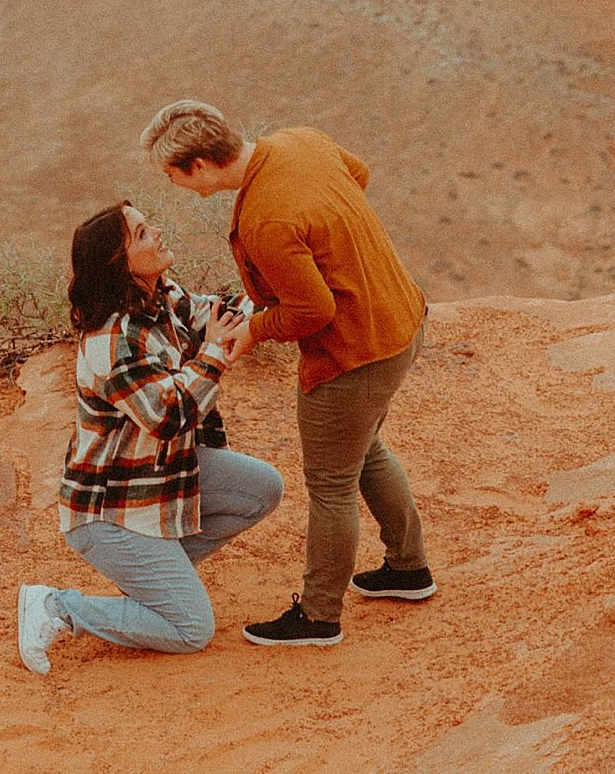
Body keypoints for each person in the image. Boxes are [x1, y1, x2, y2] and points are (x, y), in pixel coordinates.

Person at [140, 100, 432, 648]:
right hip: (400, 320)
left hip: (355, 354)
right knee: (365, 449)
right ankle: (408, 568)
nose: (174, 184)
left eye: (171, 173)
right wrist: (337, 247)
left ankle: (320, 617)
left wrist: (252, 331)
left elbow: (312, 312)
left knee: (330, 484)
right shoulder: (301, 140)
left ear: (200, 165)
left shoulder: (264, 222)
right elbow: (358, 173)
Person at [16, 199, 283, 674]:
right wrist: (214, 357)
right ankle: (57, 606)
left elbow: (214, 314)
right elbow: (168, 416)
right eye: (141, 234)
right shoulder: (111, 339)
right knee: (190, 630)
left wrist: (272, 281)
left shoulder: (160, 296)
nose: (156, 232)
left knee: (260, 489)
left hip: (161, 481)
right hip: (111, 510)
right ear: (119, 264)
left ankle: (155, 583)